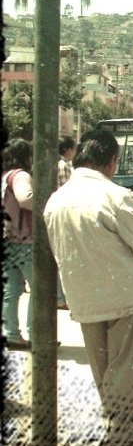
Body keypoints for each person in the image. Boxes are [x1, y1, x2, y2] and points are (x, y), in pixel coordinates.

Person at [44, 129, 133, 446]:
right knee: (126, 379)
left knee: (107, 378)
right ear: (111, 162)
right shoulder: (116, 196)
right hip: (125, 299)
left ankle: (128, 441)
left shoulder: (55, 201)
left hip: (85, 301)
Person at [2, 139, 34, 350]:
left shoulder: (5, 176)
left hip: (9, 239)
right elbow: (26, 199)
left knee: (11, 290)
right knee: (41, 290)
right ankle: (37, 333)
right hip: (25, 241)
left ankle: (12, 334)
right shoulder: (21, 175)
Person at [55, 135, 76, 310]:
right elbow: (68, 192)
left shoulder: (52, 164)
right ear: (68, 149)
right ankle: (61, 297)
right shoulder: (64, 167)